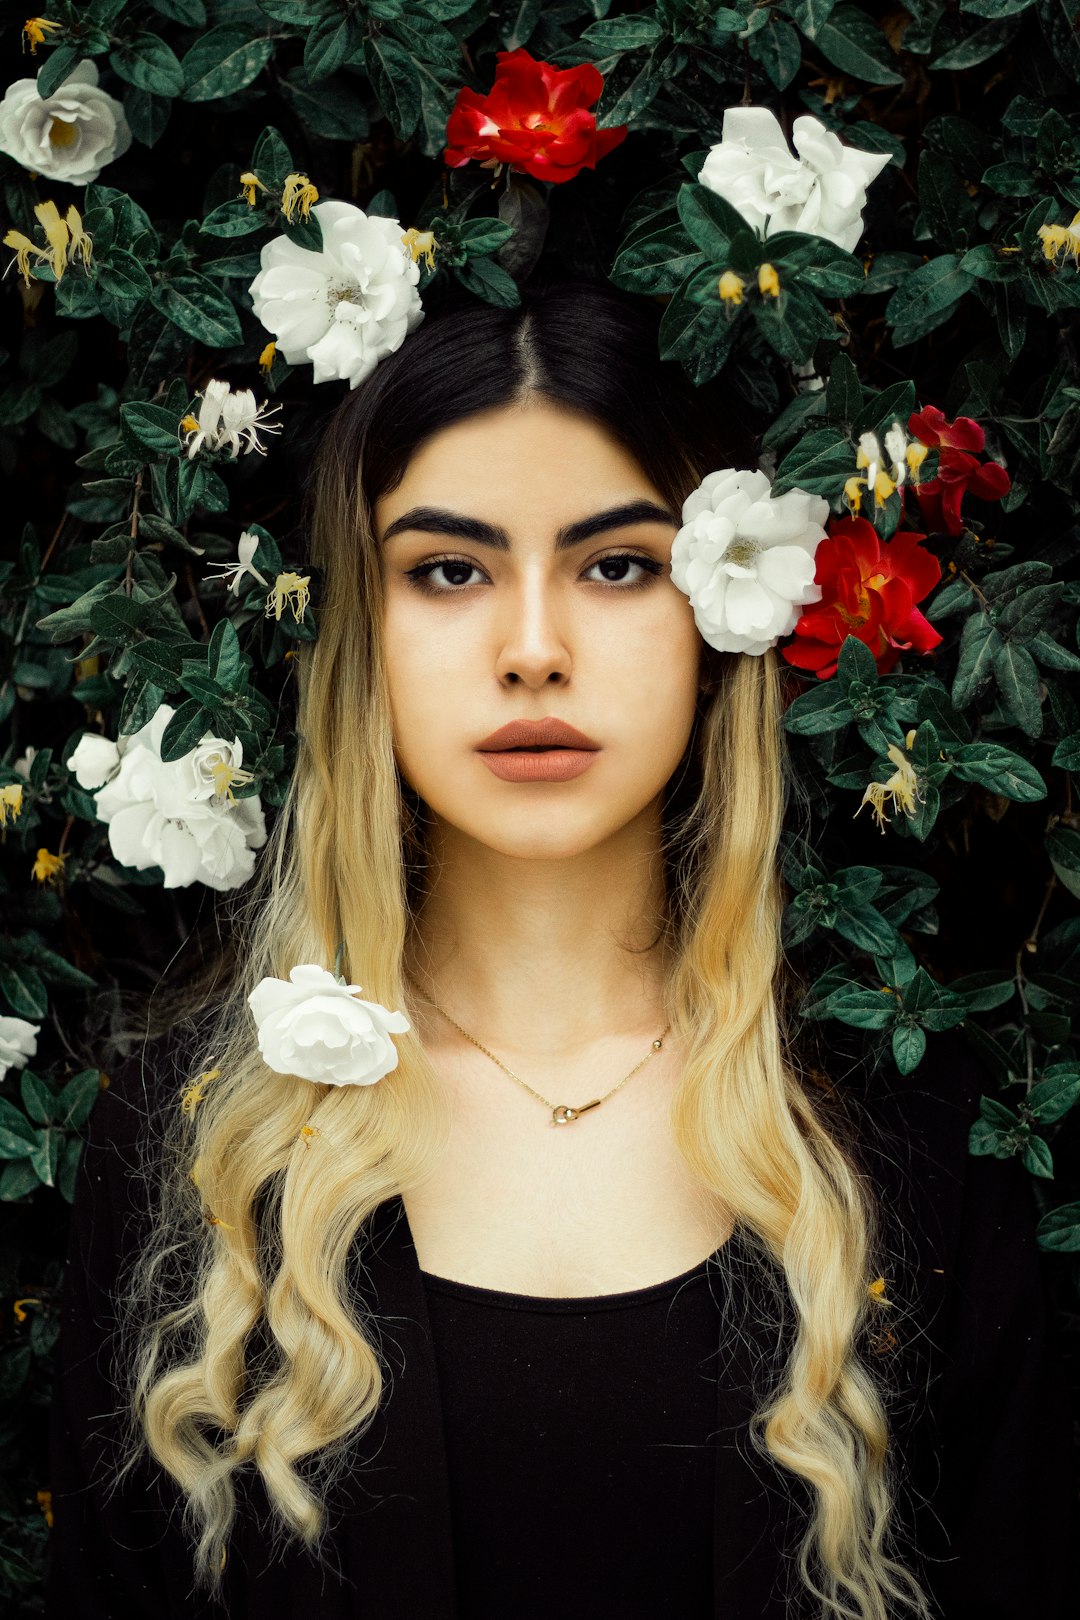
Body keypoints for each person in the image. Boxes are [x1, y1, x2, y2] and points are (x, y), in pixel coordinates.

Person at [45, 278, 1078, 1620]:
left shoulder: (909, 1136)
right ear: (365, 631)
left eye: (616, 564)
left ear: (721, 620)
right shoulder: (193, 1142)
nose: (533, 650)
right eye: (449, 570)